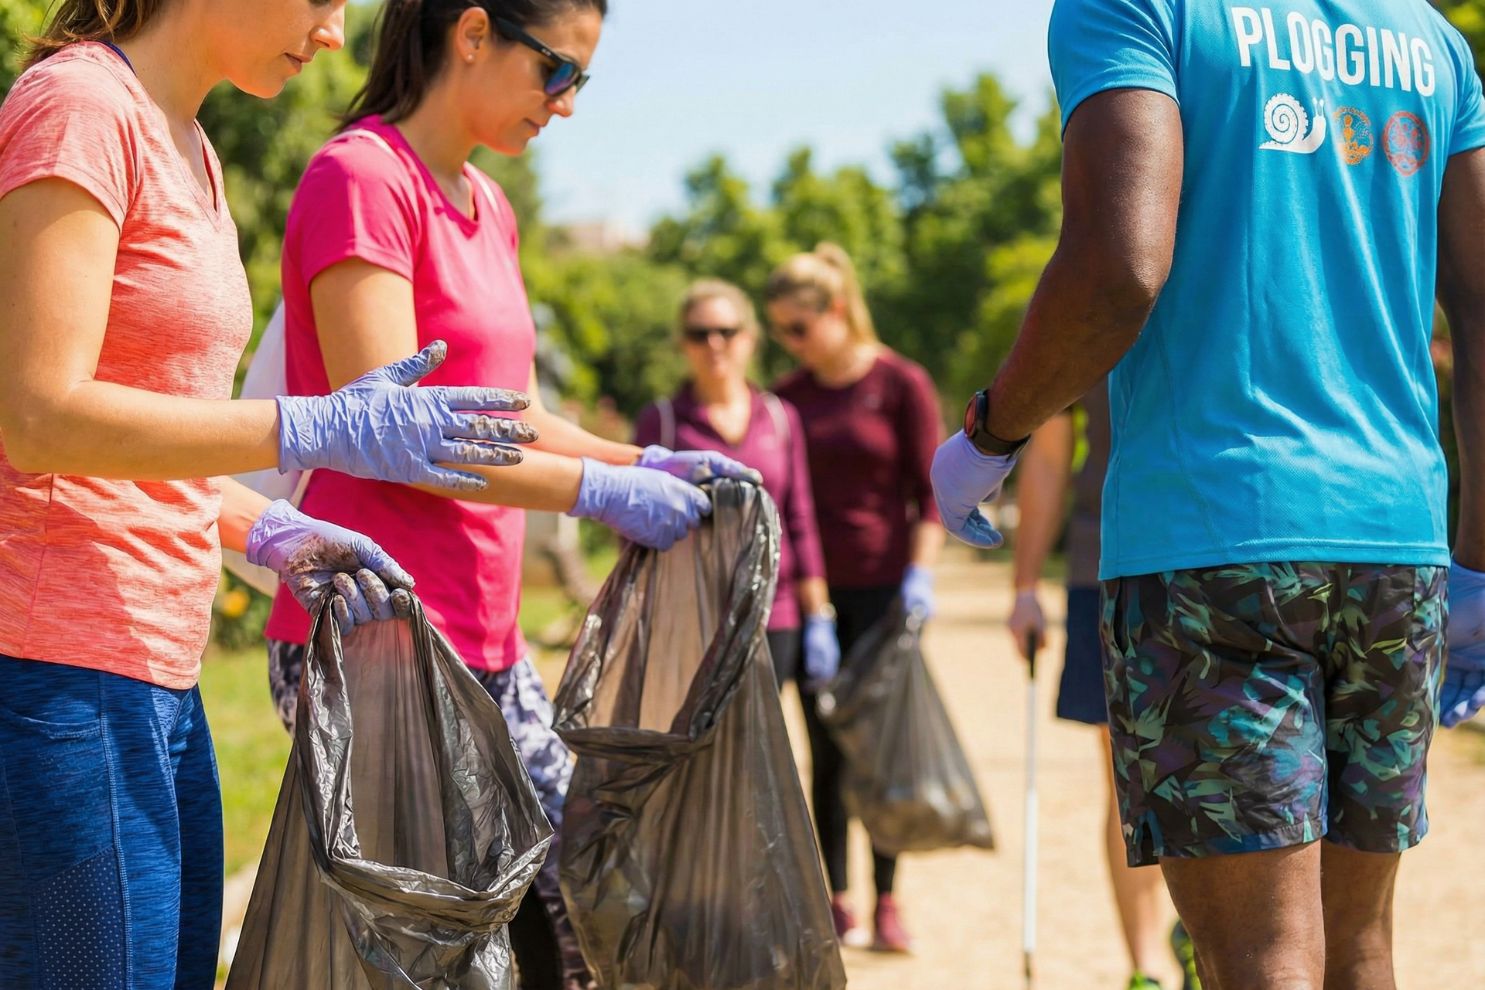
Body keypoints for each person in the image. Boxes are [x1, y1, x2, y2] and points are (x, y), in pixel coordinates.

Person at [930, 1, 1485, 987]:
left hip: (1212, 541)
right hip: (1398, 547)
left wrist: (988, 435)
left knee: (1259, 956)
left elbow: (1119, 269)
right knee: (1360, 944)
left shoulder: (1135, 8)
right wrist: (1478, 557)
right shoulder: (1430, 39)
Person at [0, 0, 537, 985]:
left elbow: (146, 442)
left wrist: (275, 530)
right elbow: (35, 417)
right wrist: (309, 427)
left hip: (160, 664)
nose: (336, 34)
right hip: (57, 666)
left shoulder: (194, 148)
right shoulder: (77, 106)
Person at [259, 5, 755, 988]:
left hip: (485, 644)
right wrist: (595, 491)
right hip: (377, 642)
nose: (565, 107)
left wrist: (638, 460)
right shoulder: (362, 180)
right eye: (559, 73)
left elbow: (512, 411)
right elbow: (394, 436)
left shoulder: (490, 203)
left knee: (579, 920)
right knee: (439, 955)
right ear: (474, 33)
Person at [766, 243, 945, 954]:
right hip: (812, 596)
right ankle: (835, 898)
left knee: (882, 751)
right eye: (780, 331)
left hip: (884, 591)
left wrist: (919, 578)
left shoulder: (900, 383)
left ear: (835, 311)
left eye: (799, 327)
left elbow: (929, 493)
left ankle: (889, 897)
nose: (791, 343)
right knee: (827, 749)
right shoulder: (787, 399)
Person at [1010, 381, 1197, 990]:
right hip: (1109, 564)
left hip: (1222, 557)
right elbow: (1047, 450)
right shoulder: (1082, 292)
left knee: (1224, 767)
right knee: (1130, 779)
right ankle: (1145, 965)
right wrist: (1025, 585)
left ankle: (1207, 929)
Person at [634, 279, 838, 692]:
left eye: (726, 332)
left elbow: (798, 518)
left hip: (774, 612)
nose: (714, 343)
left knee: (763, 747)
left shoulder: (781, 418)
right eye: (699, 334)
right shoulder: (662, 422)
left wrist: (818, 614)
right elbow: (635, 524)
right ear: (683, 344)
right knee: (703, 751)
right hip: (691, 617)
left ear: (750, 338)